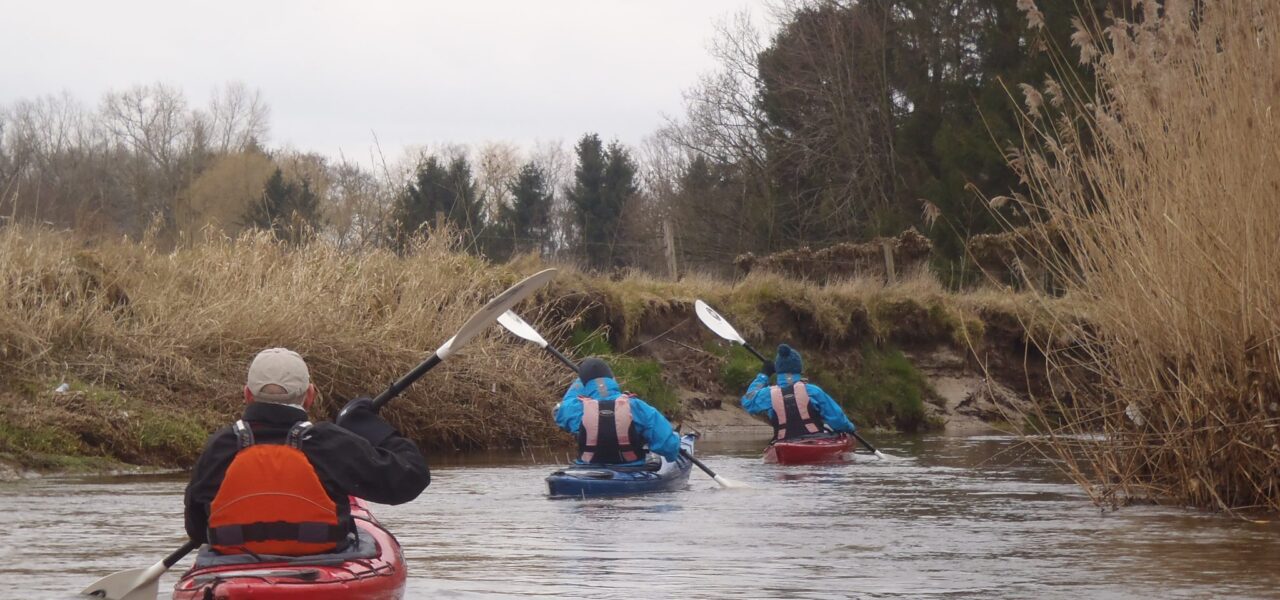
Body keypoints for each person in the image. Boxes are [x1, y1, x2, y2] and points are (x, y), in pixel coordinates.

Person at [184, 348, 431, 556]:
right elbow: (411, 477)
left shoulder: (220, 447)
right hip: (323, 566)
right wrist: (371, 427)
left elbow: (196, 528)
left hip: (234, 572)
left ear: (247, 395)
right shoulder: (326, 443)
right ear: (310, 396)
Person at [555, 357, 682, 465]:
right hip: (631, 469)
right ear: (613, 380)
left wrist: (581, 381)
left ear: (585, 384)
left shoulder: (576, 409)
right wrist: (676, 439)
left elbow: (559, 410)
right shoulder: (636, 406)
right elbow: (669, 447)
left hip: (588, 469)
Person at [741, 344, 857, 440]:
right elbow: (838, 420)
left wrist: (764, 375)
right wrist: (850, 428)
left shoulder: (768, 394)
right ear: (799, 369)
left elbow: (747, 402)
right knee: (831, 428)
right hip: (816, 441)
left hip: (784, 444)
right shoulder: (812, 391)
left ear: (778, 370)